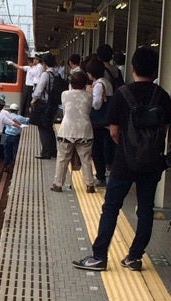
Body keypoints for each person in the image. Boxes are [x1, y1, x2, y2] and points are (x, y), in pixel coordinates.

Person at [72, 46, 171, 272]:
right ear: (155, 71)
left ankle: (99, 257)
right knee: (145, 209)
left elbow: (114, 132)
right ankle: (134, 257)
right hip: (153, 163)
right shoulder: (163, 96)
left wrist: (128, 149)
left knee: (111, 207)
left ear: (133, 68)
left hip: (124, 162)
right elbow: (165, 131)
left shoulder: (122, 94)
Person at [50, 71, 94, 193]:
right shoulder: (89, 96)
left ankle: (58, 184)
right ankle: (90, 184)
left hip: (66, 130)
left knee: (62, 158)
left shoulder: (64, 94)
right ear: (85, 84)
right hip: (84, 130)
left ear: (71, 83)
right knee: (86, 159)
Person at [86, 58, 114, 188]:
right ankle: (105, 174)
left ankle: (100, 176)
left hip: (99, 122)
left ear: (92, 72)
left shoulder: (98, 85)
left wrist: (89, 96)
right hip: (107, 122)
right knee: (106, 148)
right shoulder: (107, 83)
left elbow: (97, 105)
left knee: (97, 150)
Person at [31, 52, 58, 159]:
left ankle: (45, 152)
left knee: (42, 128)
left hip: (44, 105)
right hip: (53, 104)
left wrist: (33, 99)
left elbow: (38, 91)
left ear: (45, 63)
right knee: (49, 127)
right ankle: (53, 150)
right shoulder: (56, 74)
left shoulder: (45, 74)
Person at [3, 103, 29, 172]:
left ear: (10, 110)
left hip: (7, 136)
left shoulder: (7, 117)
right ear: (17, 110)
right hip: (15, 137)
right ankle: (13, 167)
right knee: (15, 152)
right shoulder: (20, 118)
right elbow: (27, 120)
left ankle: (5, 165)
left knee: (7, 151)